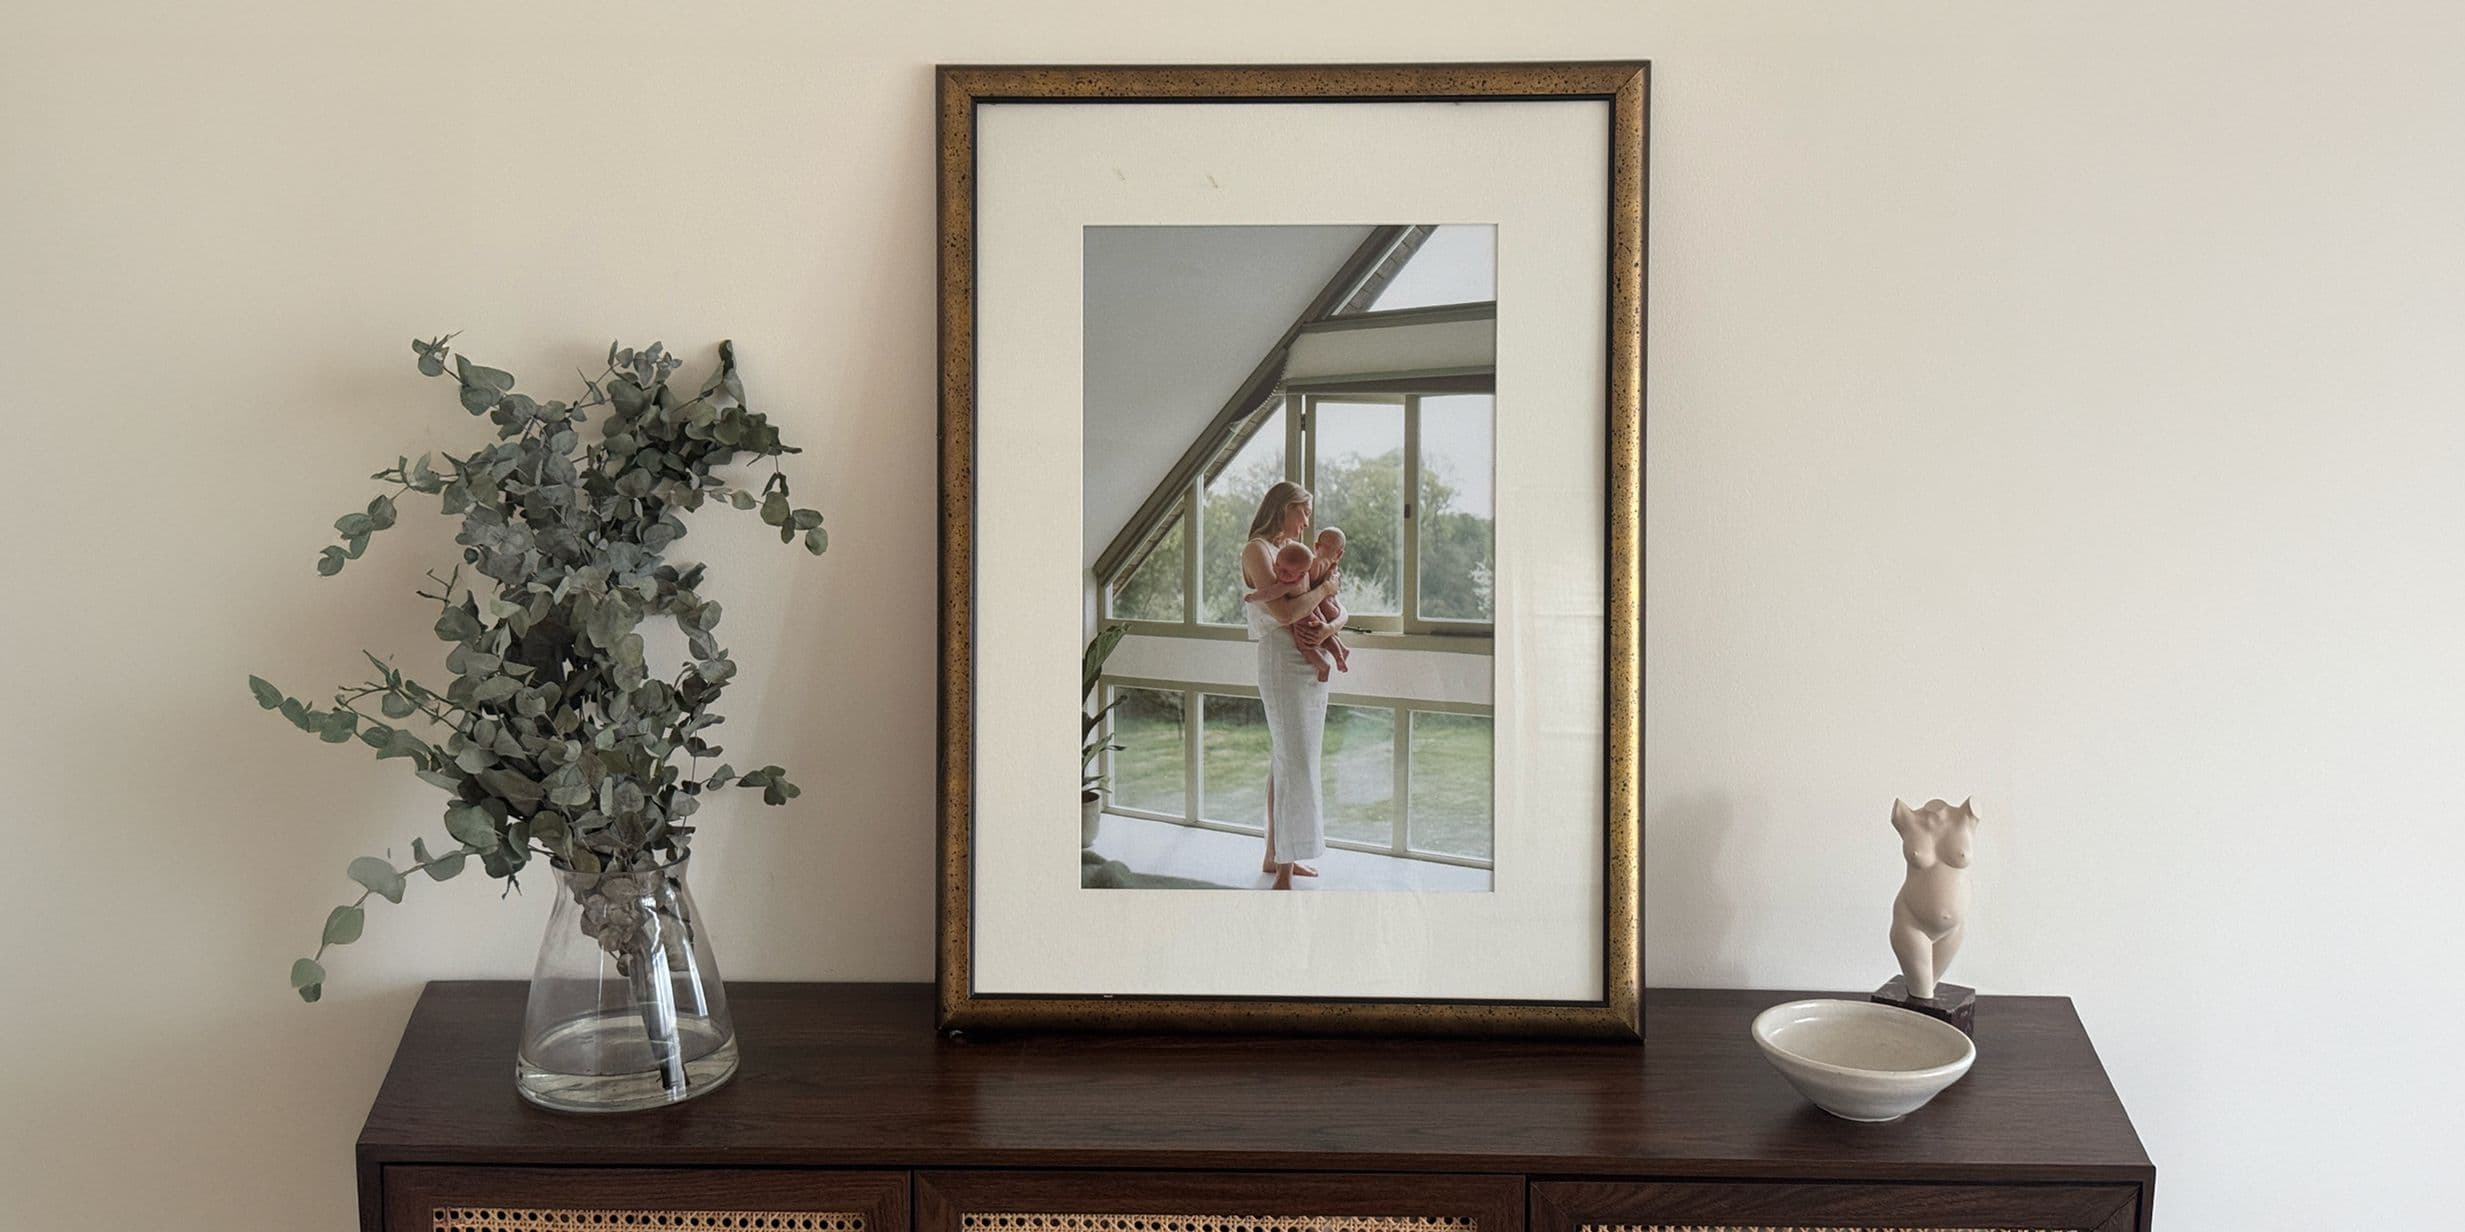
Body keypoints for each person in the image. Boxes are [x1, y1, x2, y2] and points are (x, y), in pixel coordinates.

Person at [1239, 481, 1343, 889]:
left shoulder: (1299, 555)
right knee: (1294, 760)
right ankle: (1285, 867)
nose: (1306, 523)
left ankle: (1274, 855)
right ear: (1284, 508)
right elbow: (1284, 613)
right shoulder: (1258, 550)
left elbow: (1338, 609)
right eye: (1303, 512)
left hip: (1309, 659)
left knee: (1287, 759)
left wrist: (1329, 623)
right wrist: (1324, 589)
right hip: (1282, 660)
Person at [1243, 528, 1350, 682]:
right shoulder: (1305, 564)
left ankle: (1323, 666)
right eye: (1277, 566)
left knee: (1305, 647)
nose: (1280, 572)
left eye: (1286, 571)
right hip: (1314, 613)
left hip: (1304, 618)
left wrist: (1253, 597)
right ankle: (1340, 652)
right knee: (1325, 634)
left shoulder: (1293, 577)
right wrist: (1326, 590)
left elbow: (1270, 593)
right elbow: (1326, 597)